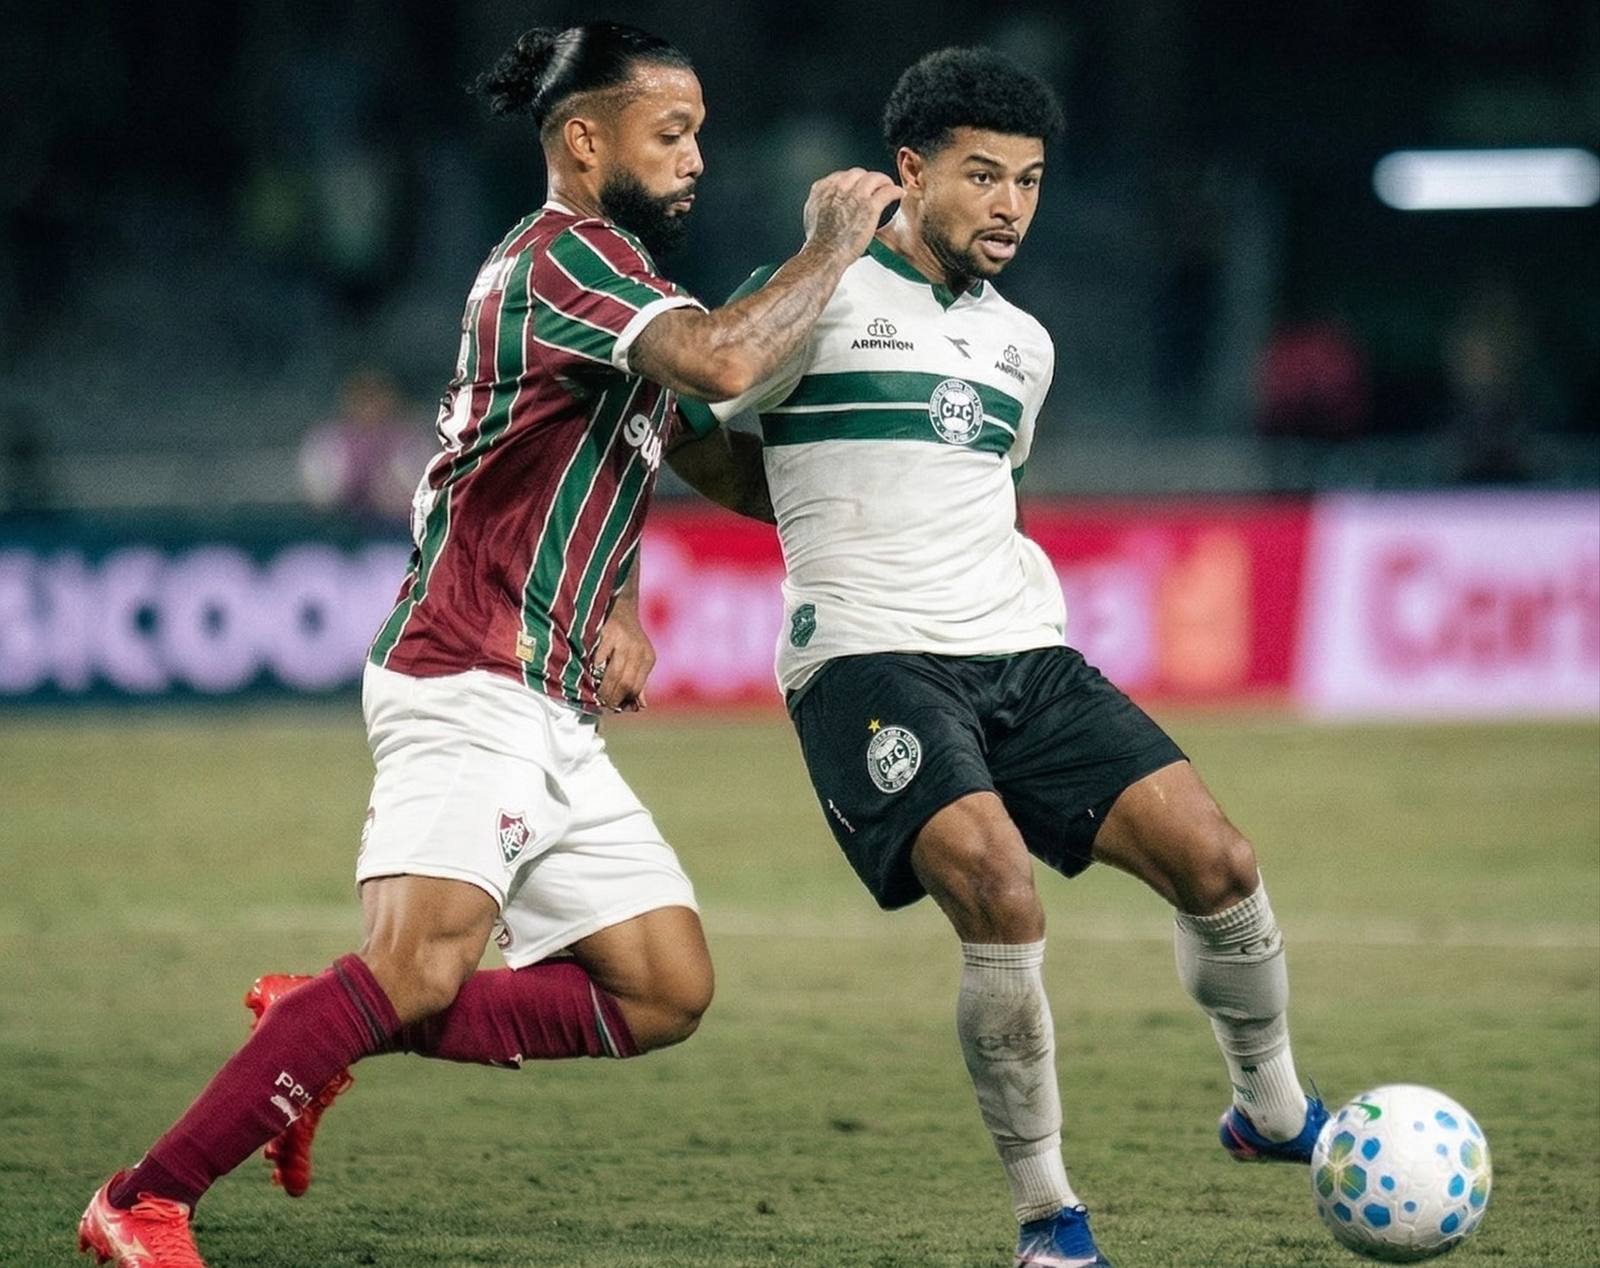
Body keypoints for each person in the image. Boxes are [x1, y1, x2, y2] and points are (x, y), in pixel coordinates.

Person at [78, 21, 899, 1268]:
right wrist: (833, 239)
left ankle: (316, 1024)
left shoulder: (620, 279)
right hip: (469, 670)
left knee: (663, 985)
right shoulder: (561, 260)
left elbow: (686, 452)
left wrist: (631, 589)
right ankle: (143, 1195)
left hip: (552, 694)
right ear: (583, 139)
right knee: (415, 965)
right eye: (670, 133)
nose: (694, 160)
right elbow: (728, 355)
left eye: (699, 136)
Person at [679, 47, 1324, 1268]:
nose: (1010, 206)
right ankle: (1049, 1218)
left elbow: (986, 490)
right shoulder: (814, 291)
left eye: (1028, 180)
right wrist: (806, 501)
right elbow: (689, 427)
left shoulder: (1022, 344)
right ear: (909, 172)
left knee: (1220, 860)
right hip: (865, 655)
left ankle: (1272, 1109)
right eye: (982, 176)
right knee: (995, 884)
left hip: (1020, 648)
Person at [296, 366, 434, 528]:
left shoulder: (412, 442)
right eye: (363, 399)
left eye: (377, 398)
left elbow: (422, 495)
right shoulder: (328, 441)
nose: (370, 407)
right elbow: (319, 497)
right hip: (335, 531)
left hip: (399, 532)